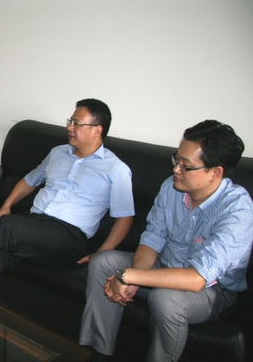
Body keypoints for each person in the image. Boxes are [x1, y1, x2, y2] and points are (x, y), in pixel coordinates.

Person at [79, 120, 253, 362]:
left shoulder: (237, 210)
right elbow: (153, 236)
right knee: (104, 262)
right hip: (164, 265)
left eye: (186, 166)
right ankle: (99, 352)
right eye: (176, 160)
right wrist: (136, 275)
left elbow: (196, 278)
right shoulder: (171, 188)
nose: (176, 170)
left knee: (165, 299)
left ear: (215, 172)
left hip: (210, 290)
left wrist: (129, 276)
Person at [0, 99, 135, 298]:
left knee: (8, 226)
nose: (70, 127)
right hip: (33, 224)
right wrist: (7, 205)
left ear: (96, 130)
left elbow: (125, 218)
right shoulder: (58, 153)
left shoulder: (116, 169)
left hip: (68, 237)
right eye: (70, 121)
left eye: (77, 123)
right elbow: (30, 180)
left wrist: (101, 253)